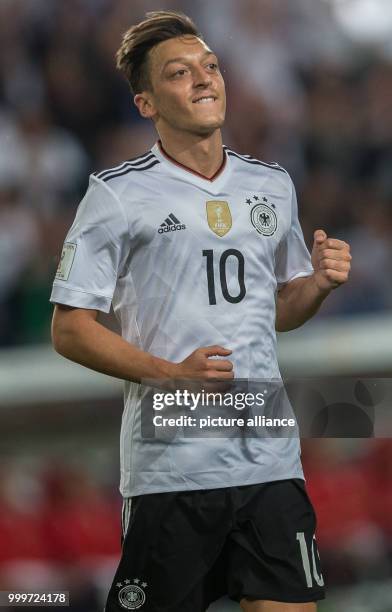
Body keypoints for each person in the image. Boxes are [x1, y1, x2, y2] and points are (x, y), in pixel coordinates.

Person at [50, 10, 351, 612]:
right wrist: (171, 374)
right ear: (146, 104)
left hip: (269, 458)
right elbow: (69, 329)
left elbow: (277, 312)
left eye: (210, 66)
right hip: (174, 470)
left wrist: (314, 286)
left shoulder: (271, 184)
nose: (204, 79)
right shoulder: (117, 193)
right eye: (179, 72)